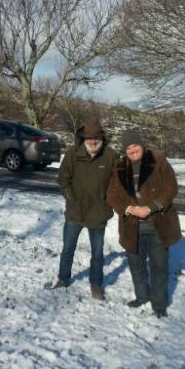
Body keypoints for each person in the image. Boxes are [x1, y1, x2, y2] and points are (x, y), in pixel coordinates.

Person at [107, 129, 181, 317]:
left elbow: (171, 188)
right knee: (136, 265)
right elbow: (112, 195)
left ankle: (159, 305)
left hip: (158, 224)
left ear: (142, 145)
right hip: (132, 226)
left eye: (135, 146)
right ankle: (142, 296)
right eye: (128, 148)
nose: (132, 150)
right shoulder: (119, 167)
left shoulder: (158, 160)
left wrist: (150, 208)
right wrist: (130, 209)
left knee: (159, 266)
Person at [55, 118, 117, 300]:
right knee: (68, 248)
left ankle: (95, 283)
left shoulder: (111, 156)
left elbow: (117, 184)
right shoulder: (72, 154)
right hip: (75, 211)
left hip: (98, 213)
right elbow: (63, 179)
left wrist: (109, 203)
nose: (92, 141)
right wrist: (70, 198)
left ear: (102, 138)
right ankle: (63, 278)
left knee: (97, 253)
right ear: (84, 138)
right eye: (89, 137)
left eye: (96, 137)